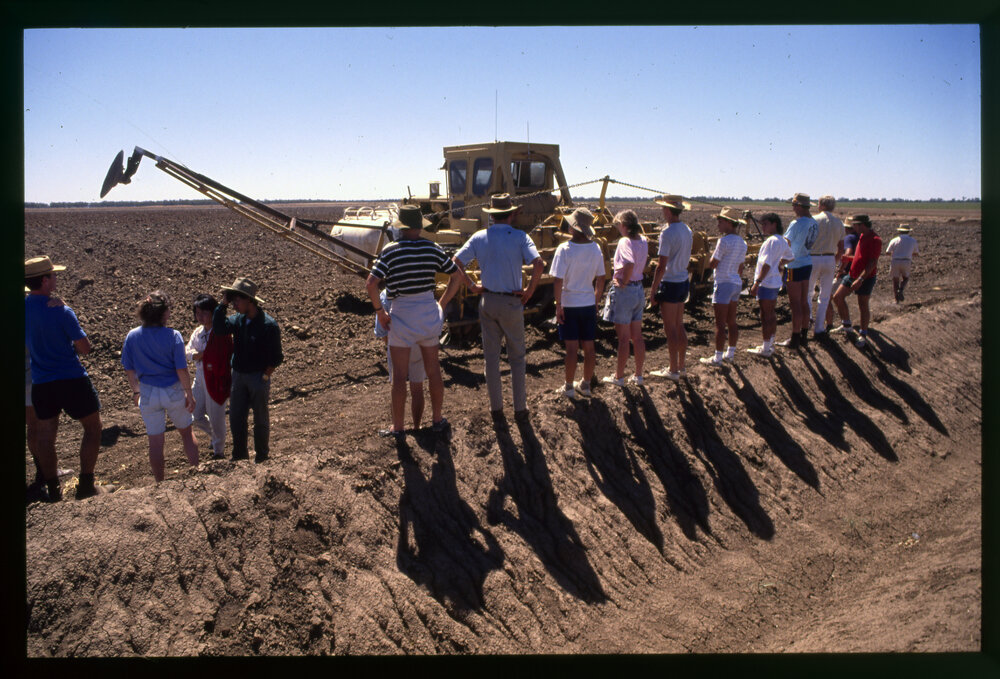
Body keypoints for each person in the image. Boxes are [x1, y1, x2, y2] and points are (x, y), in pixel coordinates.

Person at [366, 204, 462, 440]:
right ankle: (437, 419)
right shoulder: (432, 248)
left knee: (399, 377)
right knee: (434, 370)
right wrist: (442, 302)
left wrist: (380, 312)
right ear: (420, 227)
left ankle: (398, 428)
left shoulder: (390, 250)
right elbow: (457, 275)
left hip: (402, 315)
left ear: (401, 226)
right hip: (428, 313)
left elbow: (371, 284)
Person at [451, 193, 545, 423]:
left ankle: (497, 411)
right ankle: (520, 410)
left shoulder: (479, 237)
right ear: (512, 214)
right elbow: (539, 264)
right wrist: (530, 291)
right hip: (512, 302)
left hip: (488, 301)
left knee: (491, 359)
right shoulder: (521, 237)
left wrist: (472, 285)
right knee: (517, 357)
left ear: (491, 215)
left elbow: (455, 261)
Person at [25, 256, 108, 501]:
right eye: (53, 275)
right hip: (71, 378)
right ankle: (86, 486)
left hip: (41, 382)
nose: (56, 278)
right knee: (93, 428)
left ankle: (53, 490)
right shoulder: (61, 311)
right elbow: (85, 348)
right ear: (44, 280)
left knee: (46, 435)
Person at [122, 291, 200, 482]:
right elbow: (181, 369)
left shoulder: (132, 336)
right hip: (172, 390)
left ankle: (160, 483)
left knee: (155, 442)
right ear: (163, 313)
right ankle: (197, 475)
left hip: (147, 392)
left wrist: (136, 391)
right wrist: (188, 393)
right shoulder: (173, 336)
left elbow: (129, 368)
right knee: (187, 434)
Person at [213, 277, 283, 462]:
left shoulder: (268, 325)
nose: (234, 304)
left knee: (260, 418)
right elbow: (219, 328)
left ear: (249, 301)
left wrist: (265, 376)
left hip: (257, 378)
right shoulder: (238, 320)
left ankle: (262, 455)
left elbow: (277, 357)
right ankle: (239, 456)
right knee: (236, 417)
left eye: (237, 300)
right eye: (233, 300)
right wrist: (223, 304)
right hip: (239, 376)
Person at [550, 208, 606, 398]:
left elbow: (558, 280)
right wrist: (596, 300)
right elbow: (601, 278)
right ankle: (587, 384)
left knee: (571, 348)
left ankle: (568, 387)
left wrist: (558, 305)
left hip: (569, 304)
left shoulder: (564, 249)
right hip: (588, 303)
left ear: (573, 228)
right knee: (589, 346)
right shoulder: (595, 248)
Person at [648, 194, 694, 381]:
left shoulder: (667, 233)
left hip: (670, 283)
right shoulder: (687, 229)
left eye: (663, 208)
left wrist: (653, 290)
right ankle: (681, 366)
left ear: (668, 210)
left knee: (670, 329)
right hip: (683, 281)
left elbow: (661, 265)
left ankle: (673, 369)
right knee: (679, 324)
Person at [601, 209, 648, 386]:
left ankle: (618, 377)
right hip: (638, 290)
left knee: (622, 338)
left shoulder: (624, 242)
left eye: (618, 224)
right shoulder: (643, 240)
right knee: (637, 336)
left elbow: (628, 263)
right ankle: (638, 375)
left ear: (624, 225)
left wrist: (623, 281)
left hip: (626, 290)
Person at [186, 294, 233, 460]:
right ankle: (215, 436)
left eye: (204, 313)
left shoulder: (221, 332)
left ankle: (218, 451)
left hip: (216, 375)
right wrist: (201, 355)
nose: (200, 317)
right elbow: (188, 352)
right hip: (200, 375)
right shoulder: (198, 332)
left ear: (213, 313)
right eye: (197, 313)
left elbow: (221, 355)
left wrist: (199, 355)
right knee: (195, 413)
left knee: (216, 414)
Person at [699, 207, 748, 366]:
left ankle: (717, 357)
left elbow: (713, 263)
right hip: (736, 283)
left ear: (729, 223)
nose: (718, 224)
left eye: (720, 221)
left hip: (723, 282)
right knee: (732, 321)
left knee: (720, 324)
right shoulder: (742, 243)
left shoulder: (723, 241)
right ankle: (730, 353)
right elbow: (741, 267)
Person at [374, 288, 427, 430]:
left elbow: (381, 330)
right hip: (418, 341)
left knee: (397, 385)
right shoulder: (420, 290)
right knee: (417, 387)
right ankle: (417, 426)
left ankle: (397, 427)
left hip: (396, 342)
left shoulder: (386, 295)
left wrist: (390, 345)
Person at [830, 215, 883, 347]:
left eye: (855, 225)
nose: (853, 228)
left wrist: (861, 279)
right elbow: (861, 257)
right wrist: (850, 258)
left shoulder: (875, 240)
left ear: (862, 225)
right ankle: (846, 325)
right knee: (837, 297)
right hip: (852, 274)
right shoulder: (861, 237)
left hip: (866, 277)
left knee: (862, 305)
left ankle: (863, 334)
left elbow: (872, 262)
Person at [747, 213, 793, 357]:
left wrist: (757, 283)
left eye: (765, 224)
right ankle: (770, 343)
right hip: (774, 282)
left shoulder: (771, 241)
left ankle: (766, 347)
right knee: (771, 314)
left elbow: (766, 264)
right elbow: (790, 257)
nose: (763, 227)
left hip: (766, 283)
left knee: (765, 315)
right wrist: (779, 264)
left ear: (774, 224)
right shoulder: (781, 240)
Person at [778, 193, 819, 349]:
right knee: (804, 301)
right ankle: (803, 334)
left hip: (794, 265)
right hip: (807, 262)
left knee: (795, 303)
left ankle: (794, 338)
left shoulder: (796, 224)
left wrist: (780, 261)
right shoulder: (814, 223)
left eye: (794, 205)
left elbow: (786, 243)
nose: (793, 208)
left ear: (800, 206)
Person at [807, 195, 845, 337]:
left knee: (809, 291)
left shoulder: (814, 220)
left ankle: (808, 320)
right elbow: (841, 247)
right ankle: (819, 328)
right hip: (829, 258)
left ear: (821, 205)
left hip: (813, 257)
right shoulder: (839, 223)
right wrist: (835, 260)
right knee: (824, 295)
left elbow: (807, 242)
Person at [885, 224, 919, 302]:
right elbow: (916, 253)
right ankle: (901, 289)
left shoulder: (894, 240)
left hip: (895, 260)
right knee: (906, 278)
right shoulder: (913, 240)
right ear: (908, 231)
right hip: (906, 261)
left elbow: (887, 252)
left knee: (895, 280)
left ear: (899, 231)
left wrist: (895, 253)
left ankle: (896, 300)